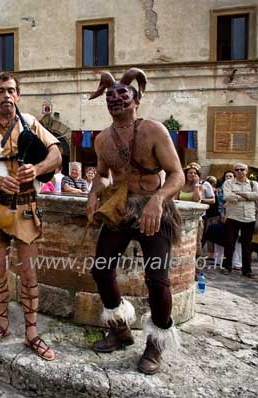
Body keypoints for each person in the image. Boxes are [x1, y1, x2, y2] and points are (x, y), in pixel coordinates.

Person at [86, 68, 185, 375]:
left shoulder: (154, 130)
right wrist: (93, 193)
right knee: (101, 270)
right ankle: (120, 329)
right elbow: (102, 175)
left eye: (122, 94)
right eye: (110, 95)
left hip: (155, 210)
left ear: (136, 99)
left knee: (157, 280)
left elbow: (177, 174)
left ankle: (156, 343)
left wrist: (158, 199)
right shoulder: (102, 139)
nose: (115, 99)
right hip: (121, 209)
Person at [0, 71, 61, 361]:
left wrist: (38, 169)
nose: (6, 95)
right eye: (1, 90)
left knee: (29, 273)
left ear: (17, 95)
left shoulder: (30, 122)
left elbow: (56, 154)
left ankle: (31, 332)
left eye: (11, 90)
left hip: (27, 207)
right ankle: (3, 324)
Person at [221, 162, 258, 278]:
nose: (239, 171)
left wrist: (238, 194)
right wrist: (248, 196)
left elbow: (257, 195)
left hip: (249, 217)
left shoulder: (254, 184)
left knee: (247, 245)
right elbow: (227, 196)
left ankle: (247, 270)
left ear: (246, 171)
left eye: (242, 169)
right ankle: (227, 267)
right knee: (229, 243)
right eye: (237, 169)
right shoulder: (228, 183)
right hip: (233, 216)